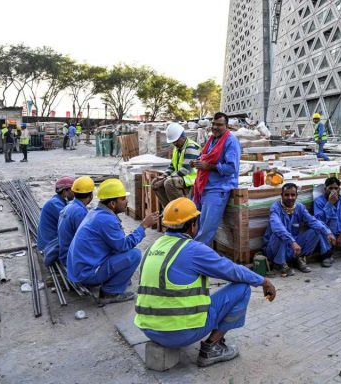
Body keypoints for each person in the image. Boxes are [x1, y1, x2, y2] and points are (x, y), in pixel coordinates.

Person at [134, 198, 277, 367]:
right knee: (242, 288)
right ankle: (211, 348)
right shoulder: (193, 249)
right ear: (193, 225)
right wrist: (263, 281)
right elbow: (232, 270)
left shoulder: (153, 246)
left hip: (149, 329)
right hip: (179, 334)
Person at [67, 179, 159, 304]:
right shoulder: (106, 220)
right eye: (123, 199)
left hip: (79, 269)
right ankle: (109, 293)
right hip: (86, 274)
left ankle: (113, 281)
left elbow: (117, 243)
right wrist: (143, 226)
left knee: (123, 255)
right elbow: (124, 245)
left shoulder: (96, 212)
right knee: (134, 255)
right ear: (112, 204)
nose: (126, 201)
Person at [263, 183, 335, 276]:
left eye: (293, 195)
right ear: (282, 195)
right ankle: (279, 263)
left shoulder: (300, 207)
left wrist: (327, 232)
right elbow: (277, 227)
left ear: (296, 196)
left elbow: (312, 221)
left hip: (293, 247)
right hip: (275, 249)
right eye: (287, 195)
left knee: (317, 230)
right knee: (280, 233)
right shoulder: (275, 208)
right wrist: (292, 241)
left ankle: (297, 258)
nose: (290, 198)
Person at [192, 112, 241, 245]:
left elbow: (231, 168)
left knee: (206, 230)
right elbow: (206, 157)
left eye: (219, 125)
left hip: (217, 189)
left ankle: (196, 254)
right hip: (204, 187)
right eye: (213, 124)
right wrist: (198, 162)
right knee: (197, 223)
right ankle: (198, 251)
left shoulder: (231, 141)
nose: (215, 127)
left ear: (226, 126)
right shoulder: (212, 139)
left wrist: (207, 166)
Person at [153, 123, 201, 208]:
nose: (174, 143)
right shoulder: (177, 148)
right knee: (155, 182)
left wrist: (165, 179)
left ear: (183, 137)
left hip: (191, 179)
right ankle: (169, 209)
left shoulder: (191, 147)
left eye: (176, 141)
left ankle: (184, 209)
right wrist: (163, 176)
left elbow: (184, 170)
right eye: (173, 141)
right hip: (182, 177)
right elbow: (172, 166)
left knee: (169, 183)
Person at [57, 176, 94, 268]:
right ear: (91, 195)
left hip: (65, 254)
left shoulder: (69, 206)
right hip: (71, 259)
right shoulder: (80, 212)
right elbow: (86, 241)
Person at [38, 176, 75, 266]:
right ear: (65, 191)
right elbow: (70, 223)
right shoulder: (55, 204)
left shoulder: (59, 201)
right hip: (50, 246)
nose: (75, 193)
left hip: (51, 242)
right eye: (73, 190)